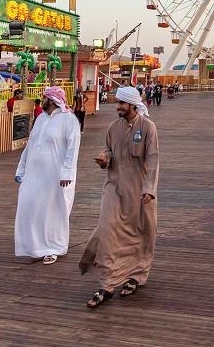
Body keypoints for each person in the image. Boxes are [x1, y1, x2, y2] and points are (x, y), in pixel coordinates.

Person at [79, 86, 159, 309]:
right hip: (114, 188)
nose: (118, 107)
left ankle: (136, 275)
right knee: (107, 230)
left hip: (140, 190)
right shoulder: (113, 128)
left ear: (133, 105)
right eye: (117, 103)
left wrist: (149, 189)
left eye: (122, 104)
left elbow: (153, 160)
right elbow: (110, 151)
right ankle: (107, 283)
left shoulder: (147, 127)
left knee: (141, 232)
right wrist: (105, 158)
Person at [14, 87, 82, 266]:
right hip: (34, 174)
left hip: (57, 176)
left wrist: (67, 173)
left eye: (44, 97)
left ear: (52, 100)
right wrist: (21, 169)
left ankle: (53, 248)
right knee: (30, 205)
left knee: (53, 211)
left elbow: (73, 150)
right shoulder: (40, 118)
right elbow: (30, 145)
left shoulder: (69, 120)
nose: (42, 100)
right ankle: (35, 247)